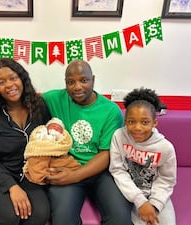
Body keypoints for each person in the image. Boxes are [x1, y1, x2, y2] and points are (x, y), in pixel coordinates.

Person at [42, 59, 133, 225]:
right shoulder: (54, 98)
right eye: (71, 82)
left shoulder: (111, 111)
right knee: (62, 220)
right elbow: (25, 97)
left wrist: (74, 176)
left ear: (93, 80)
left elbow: (106, 154)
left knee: (121, 219)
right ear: (65, 83)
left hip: (100, 172)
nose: (77, 87)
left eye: (84, 80)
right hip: (67, 166)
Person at [0, 58, 51, 225]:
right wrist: (12, 186)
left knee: (40, 213)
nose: (9, 85)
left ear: (22, 78)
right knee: (9, 216)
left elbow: (48, 137)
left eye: (13, 78)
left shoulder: (38, 105)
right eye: (1, 82)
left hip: (28, 173)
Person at [109, 87, 177, 225]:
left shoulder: (165, 148)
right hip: (127, 192)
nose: (137, 128)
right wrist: (139, 201)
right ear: (125, 121)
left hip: (155, 195)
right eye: (131, 121)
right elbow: (117, 169)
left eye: (145, 122)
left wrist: (154, 205)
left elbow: (166, 180)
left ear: (154, 123)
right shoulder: (119, 136)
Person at [23, 117, 81, 185]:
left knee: (64, 162)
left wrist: (58, 140)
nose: (56, 128)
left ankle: (73, 169)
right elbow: (35, 139)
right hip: (41, 151)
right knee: (37, 161)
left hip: (56, 153)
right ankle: (40, 176)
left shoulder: (61, 136)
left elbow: (64, 142)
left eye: (59, 128)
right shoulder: (43, 132)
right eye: (53, 126)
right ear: (47, 127)